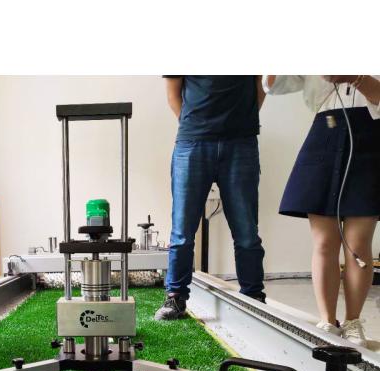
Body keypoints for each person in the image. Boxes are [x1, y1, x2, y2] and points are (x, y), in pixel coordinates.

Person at [263, 76, 380, 348]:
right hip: (325, 134)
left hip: (371, 136)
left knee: (357, 243)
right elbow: (275, 84)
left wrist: (356, 78)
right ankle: (327, 321)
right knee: (325, 242)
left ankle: (353, 321)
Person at [155, 76, 267, 320]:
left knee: (246, 230)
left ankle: (253, 296)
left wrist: (240, 122)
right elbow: (173, 95)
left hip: (241, 141)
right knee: (183, 230)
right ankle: (175, 296)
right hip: (193, 141)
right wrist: (198, 125)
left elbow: (261, 86)